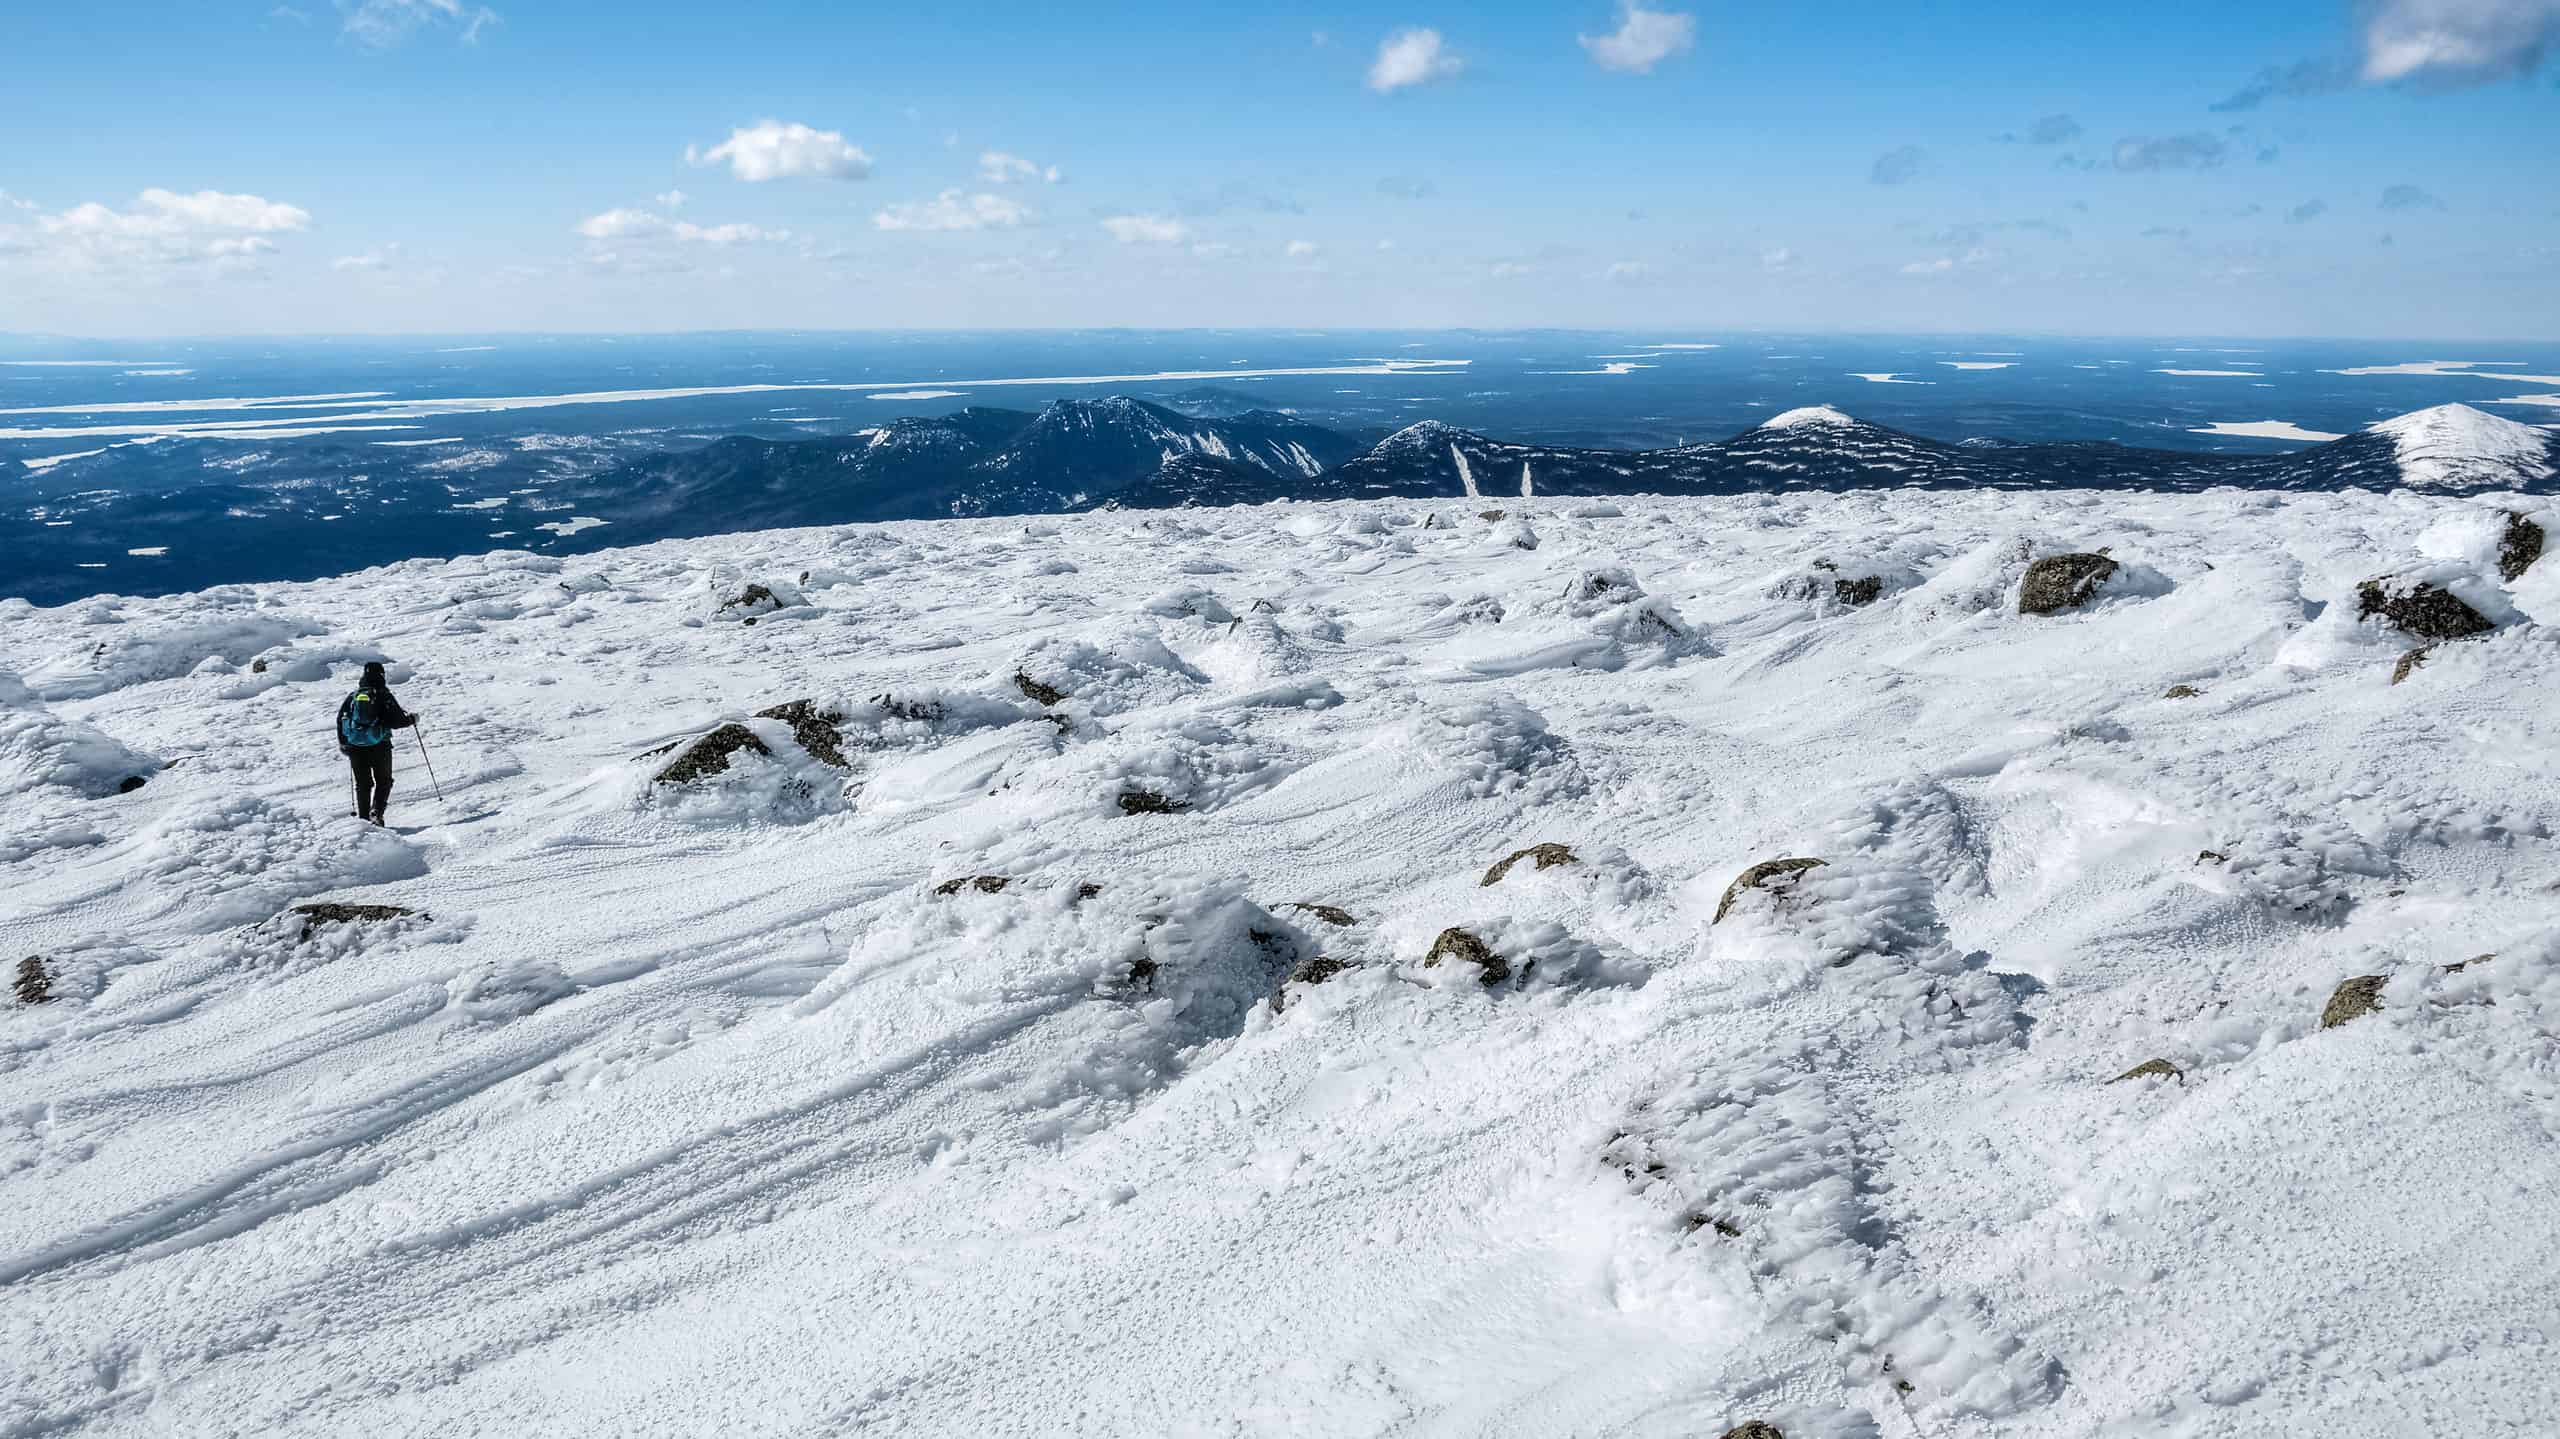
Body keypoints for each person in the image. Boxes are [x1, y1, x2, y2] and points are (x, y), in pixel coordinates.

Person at [336, 661, 418, 825]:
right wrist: (412, 719)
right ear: (381, 675)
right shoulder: (383, 695)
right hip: (380, 746)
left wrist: (344, 744)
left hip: (355, 747)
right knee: (384, 781)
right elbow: (396, 721)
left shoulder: (353, 696)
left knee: (363, 784)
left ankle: (364, 820)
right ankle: (377, 812)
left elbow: (340, 720)